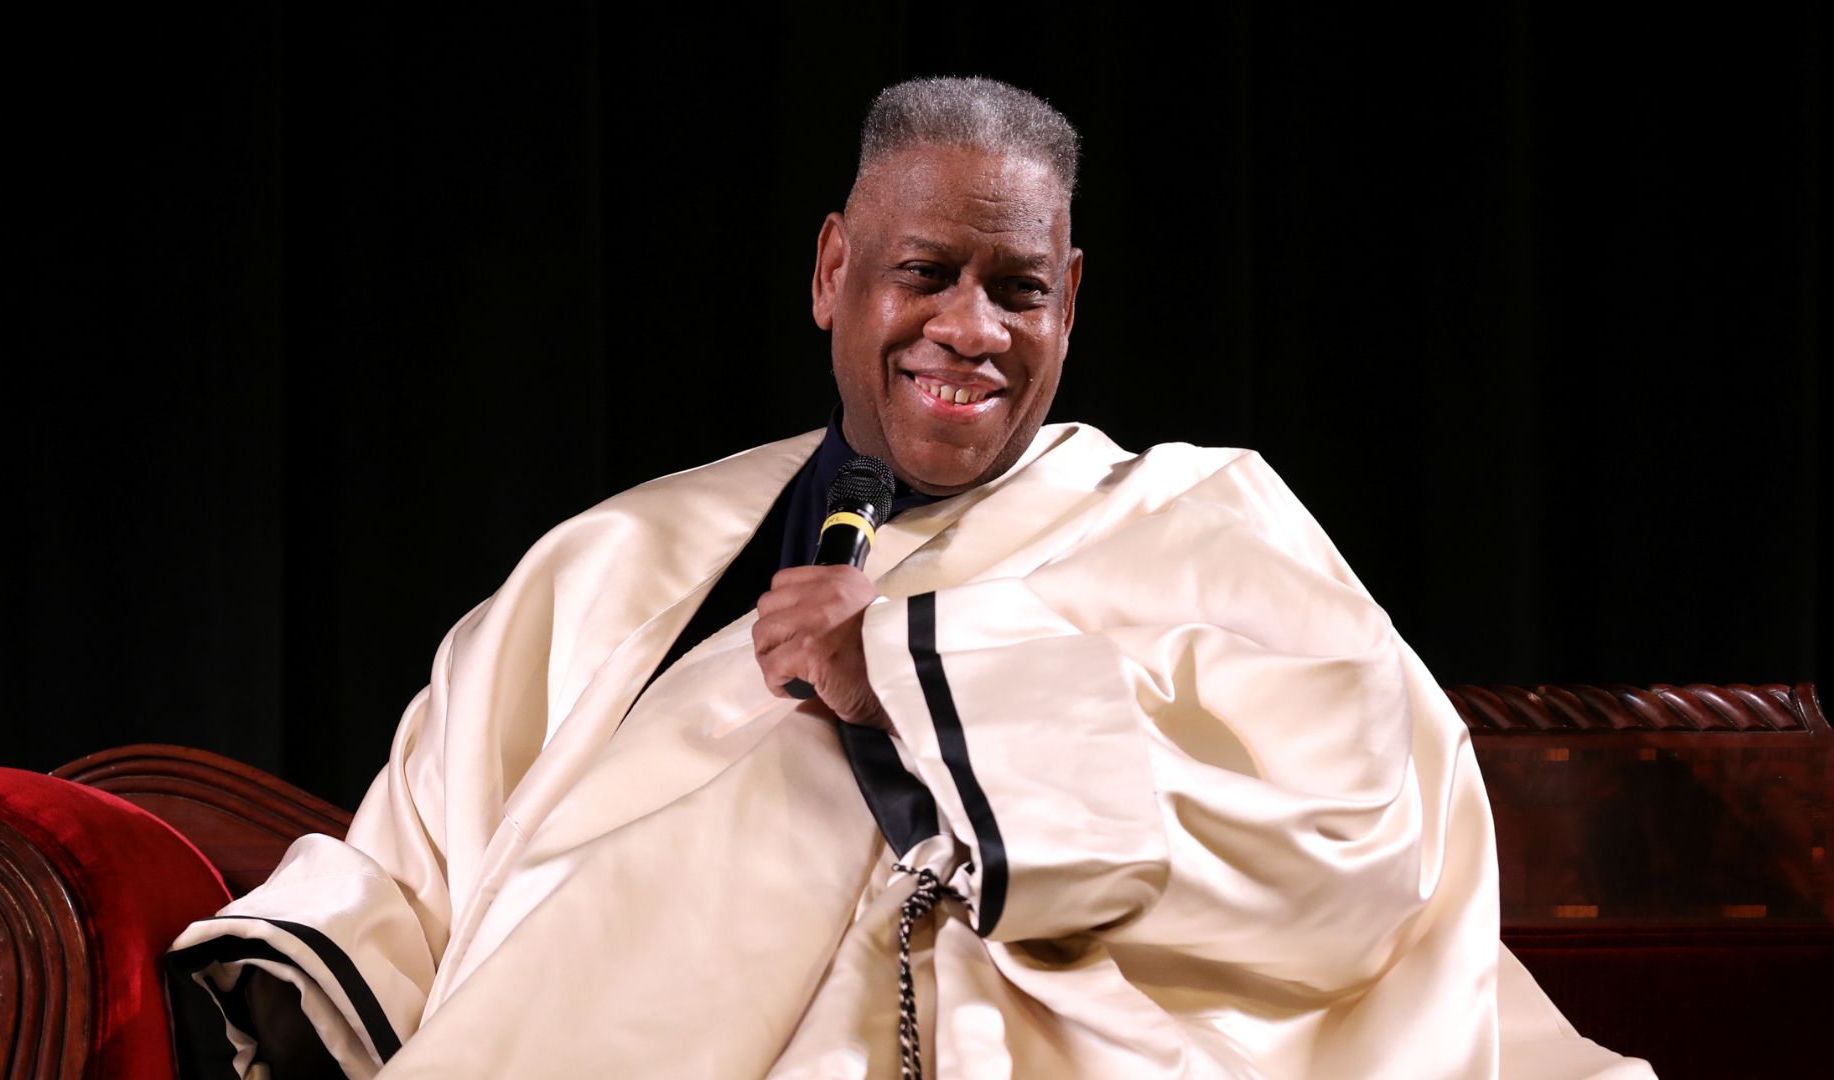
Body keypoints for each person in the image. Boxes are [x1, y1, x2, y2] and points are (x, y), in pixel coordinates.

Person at [169, 78, 1650, 1079]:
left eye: (1018, 289)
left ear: (1071, 299)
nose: (973, 329)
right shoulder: (621, 557)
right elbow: (426, 850)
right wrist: (314, 971)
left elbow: (1368, 818)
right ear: (831, 272)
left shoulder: (1204, 517)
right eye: (924, 273)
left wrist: (934, 681)